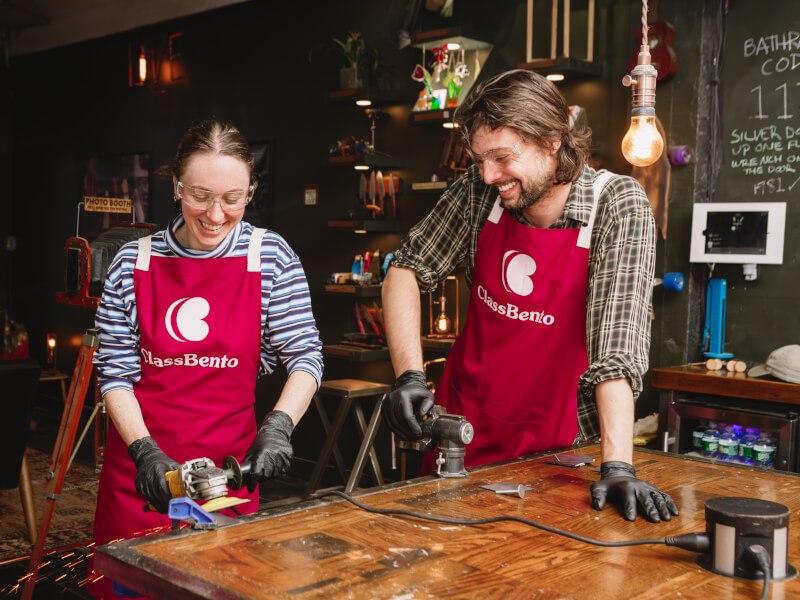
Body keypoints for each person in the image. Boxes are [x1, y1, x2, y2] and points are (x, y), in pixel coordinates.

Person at [380, 69, 677, 523]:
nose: (488, 174)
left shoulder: (617, 205)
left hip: (559, 449)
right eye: (479, 159)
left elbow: (617, 348)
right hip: (465, 432)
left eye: (501, 157)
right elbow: (405, 268)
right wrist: (409, 378)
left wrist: (617, 465)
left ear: (552, 140)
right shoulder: (481, 192)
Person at [87, 119, 323, 599]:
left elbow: (305, 356)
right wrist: (145, 453)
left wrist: (278, 425)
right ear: (176, 187)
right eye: (200, 194)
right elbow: (114, 375)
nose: (216, 214)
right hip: (142, 480)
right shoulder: (133, 263)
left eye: (232, 198)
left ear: (250, 193)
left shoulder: (271, 257)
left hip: (226, 480)